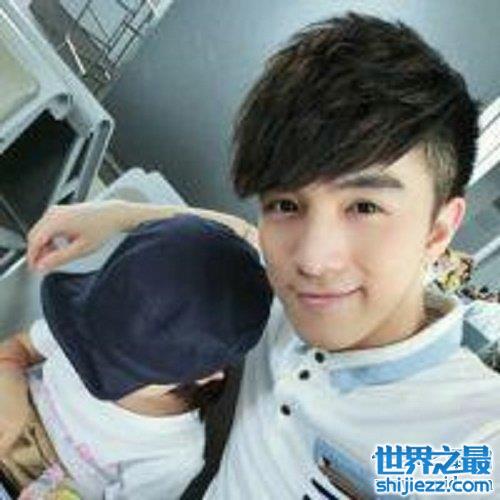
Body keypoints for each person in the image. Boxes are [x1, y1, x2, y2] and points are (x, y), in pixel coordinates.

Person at [25, 12, 500, 499]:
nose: (312, 260)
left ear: (437, 230)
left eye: (365, 207)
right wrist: (119, 215)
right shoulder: (277, 305)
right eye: (286, 205)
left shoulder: (468, 442)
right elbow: (243, 235)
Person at [0, 215, 272, 499]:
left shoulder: (171, 455)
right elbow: (20, 347)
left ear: (208, 375)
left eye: (119, 363)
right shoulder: (83, 325)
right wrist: (7, 378)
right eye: (95, 342)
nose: (92, 359)